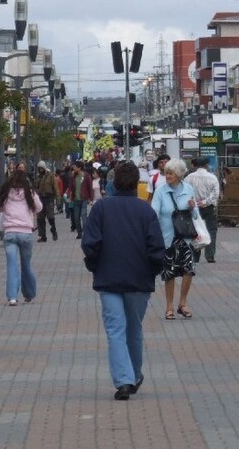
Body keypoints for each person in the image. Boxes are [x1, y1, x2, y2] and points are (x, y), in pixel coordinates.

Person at [81, 161, 165, 400]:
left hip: (108, 278)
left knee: (115, 330)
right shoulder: (145, 211)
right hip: (139, 280)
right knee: (133, 328)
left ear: (113, 181)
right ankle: (134, 374)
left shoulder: (101, 208)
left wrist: (94, 265)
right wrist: (153, 270)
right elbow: (156, 247)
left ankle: (124, 380)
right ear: (136, 183)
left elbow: (90, 243)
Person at [151, 159, 200, 320]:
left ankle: (183, 303)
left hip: (185, 237)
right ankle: (169, 306)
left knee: (188, 270)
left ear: (179, 174)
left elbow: (195, 215)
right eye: (166, 173)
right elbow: (154, 213)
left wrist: (193, 207)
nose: (167, 176)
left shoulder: (188, 189)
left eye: (171, 173)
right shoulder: (160, 191)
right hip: (168, 238)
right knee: (169, 273)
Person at [0, 168, 41, 305]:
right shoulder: (30, 193)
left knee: (11, 265)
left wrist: (3, 204)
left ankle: (12, 297)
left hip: (10, 233)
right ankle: (29, 293)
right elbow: (39, 207)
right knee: (26, 264)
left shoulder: (6, 193)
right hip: (26, 233)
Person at [184, 157, 221, 263]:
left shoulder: (189, 178)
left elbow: (186, 193)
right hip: (208, 208)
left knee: (195, 231)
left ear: (196, 166)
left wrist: (195, 203)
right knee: (211, 231)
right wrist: (204, 202)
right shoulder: (212, 177)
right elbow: (215, 194)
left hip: (193, 208)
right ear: (206, 165)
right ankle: (210, 256)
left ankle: (195, 256)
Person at [65, 163, 93, 237]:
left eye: (75, 167)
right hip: (76, 199)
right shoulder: (74, 176)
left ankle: (86, 232)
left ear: (79, 168)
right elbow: (70, 187)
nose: (73, 168)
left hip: (84, 199)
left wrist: (91, 198)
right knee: (76, 217)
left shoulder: (86, 176)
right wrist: (67, 194)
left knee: (84, 215)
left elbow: (90, 187)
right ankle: (79, 233)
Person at [35, 162, 59, 242]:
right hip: (40, 199)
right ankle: (43, 236)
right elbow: (35, 187)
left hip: (49, 199)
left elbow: (55, 188)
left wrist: (58, 200)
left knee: (50, 217)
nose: (41, 170)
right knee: (40, 219)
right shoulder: (38, 177)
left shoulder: (51, 176)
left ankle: (53, 230)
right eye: (39, 168)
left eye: (42, 168)